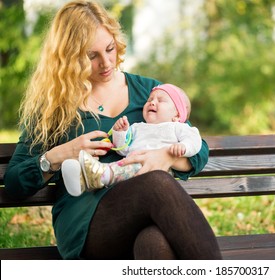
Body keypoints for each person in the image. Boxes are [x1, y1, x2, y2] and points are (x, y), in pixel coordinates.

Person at [4, 0, 221, 260]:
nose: (106, 62)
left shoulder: (148, 93)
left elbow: (199, 148)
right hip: (88, 223)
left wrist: (167, 157)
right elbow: (15, 182)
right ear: (70, 58)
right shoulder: (54, 105)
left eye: (109, 48)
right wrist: (61, 154)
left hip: (143, 215)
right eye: (91, 56)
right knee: (156, 184)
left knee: (154, 244)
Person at [62, 83, 202, 196]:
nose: (152, 102)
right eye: (150, 99)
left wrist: (184, 147)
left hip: (155, 171)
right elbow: (123, 150)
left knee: (122, 168)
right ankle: (82, 178)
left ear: (177, 115)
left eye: (161, 100)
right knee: (123, 164)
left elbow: (195, 141)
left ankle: (98, 176)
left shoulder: (177, 127)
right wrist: (120, 133)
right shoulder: (137, 127)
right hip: (130, 170)